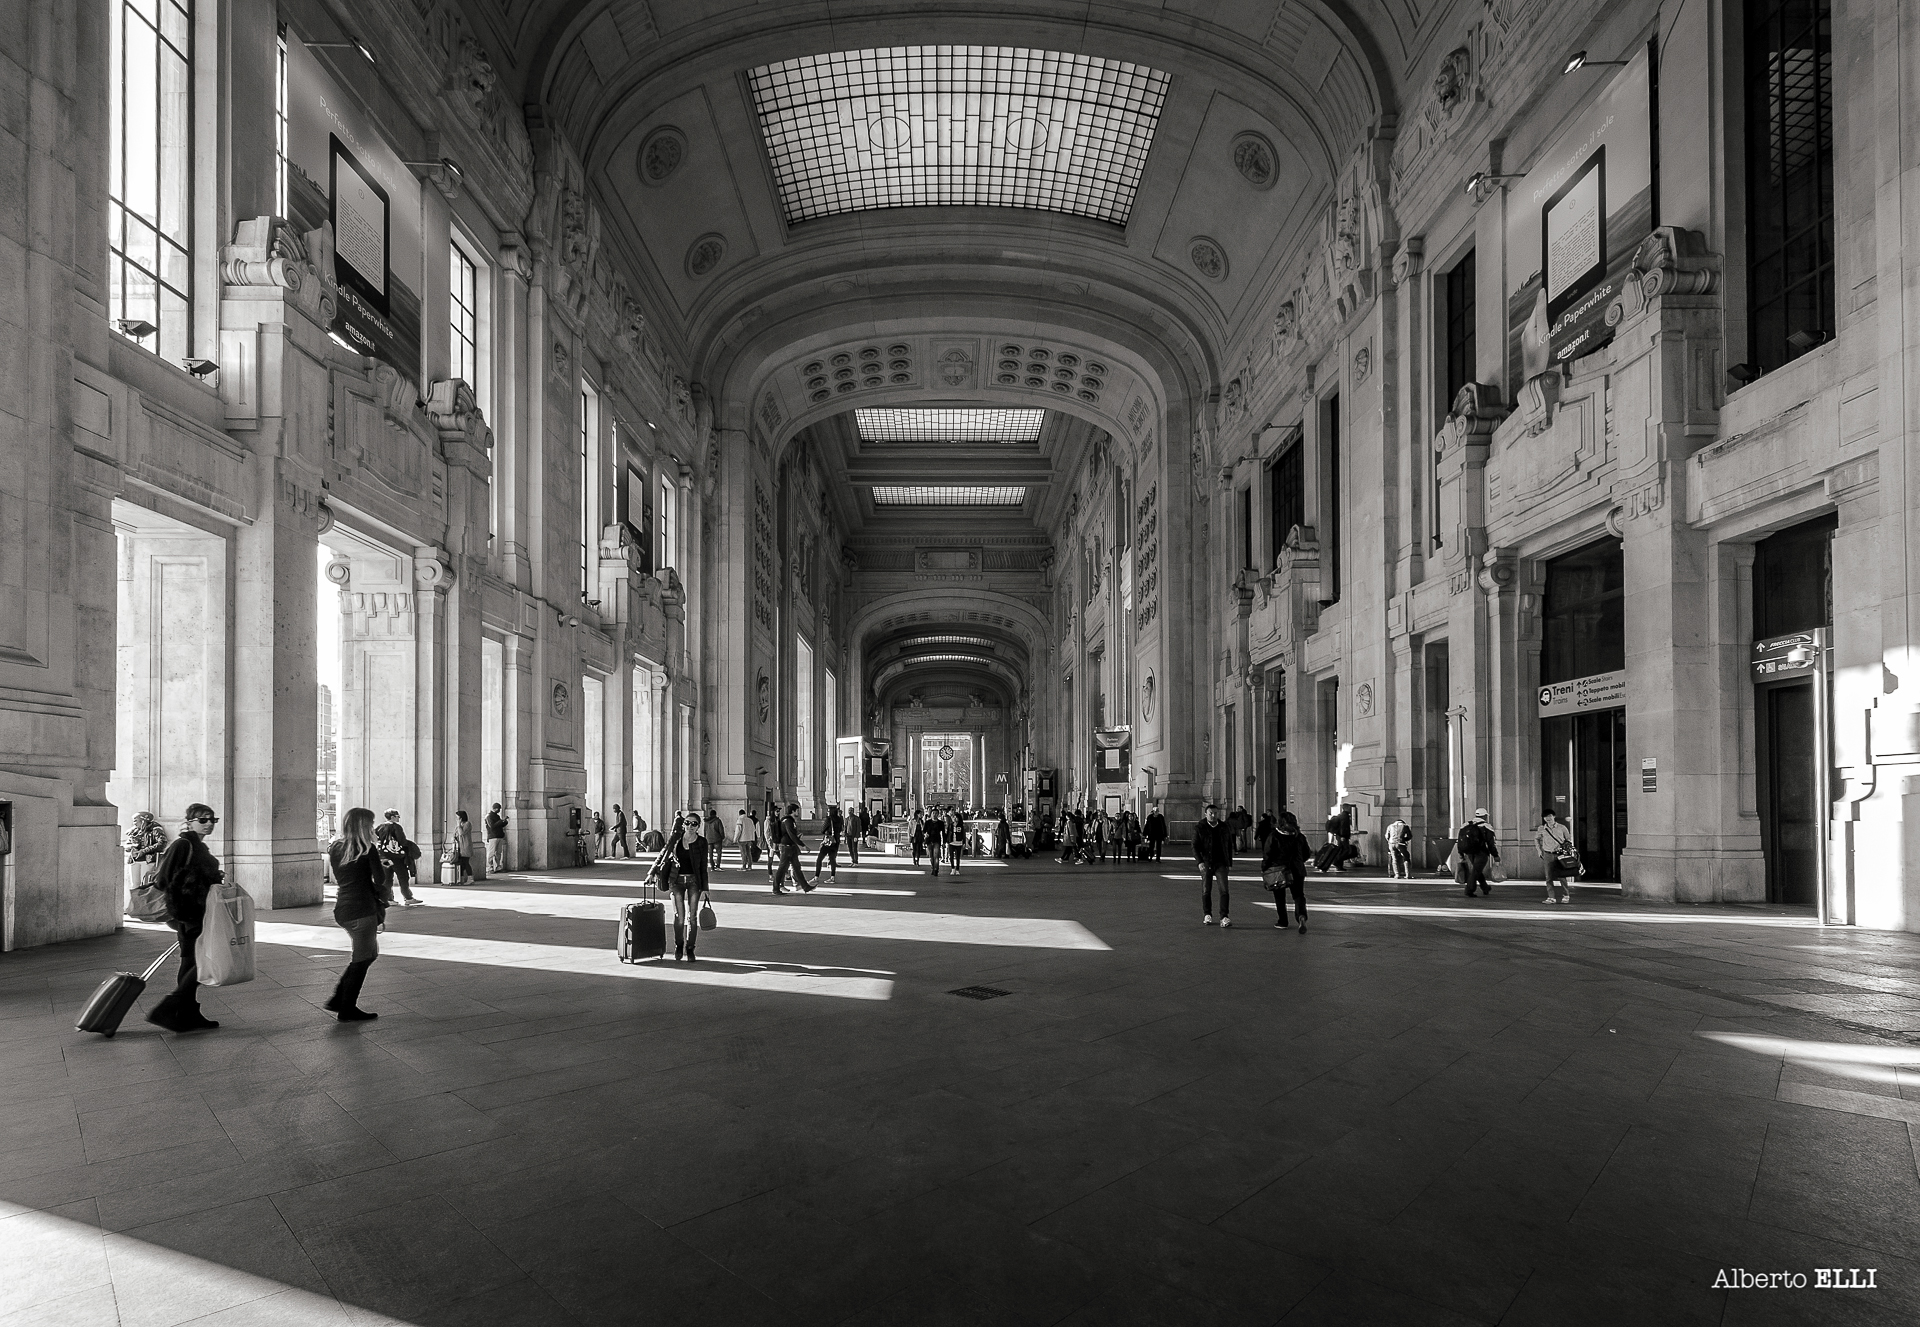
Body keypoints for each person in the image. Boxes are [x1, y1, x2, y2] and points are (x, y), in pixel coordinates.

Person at [145, 803, 223, 1032]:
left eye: (212, 820)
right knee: (203, 960)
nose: (209, 824)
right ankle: (169, 1007)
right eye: (203, 820)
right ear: (189, 821)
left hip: (198, 911)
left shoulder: (197, 846)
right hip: (188, 912)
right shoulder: (183, 844)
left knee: (191, 960)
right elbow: (163, 880)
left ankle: (187, 1013)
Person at [325, 806, 390, 1022]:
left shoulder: (335, 847)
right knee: (362, 959)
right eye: (370, 823)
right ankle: (346, 1008)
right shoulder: (367, 849)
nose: (373, 827)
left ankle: (338, 999)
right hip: (362, 910)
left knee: (369, 954)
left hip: (343, 908)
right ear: (364, 826)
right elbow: (380, 880)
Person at [669, 810, 711, 962]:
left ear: (698, 826)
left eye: (694, 824)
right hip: (677, 881)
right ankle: (679, 945)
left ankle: (690, 948)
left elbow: (703, 866)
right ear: (683, 824)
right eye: (687, 823)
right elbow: (663, 856)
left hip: (694, 881)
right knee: (679, 918)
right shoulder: (675, 839)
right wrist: (653, 873)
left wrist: (705, 888)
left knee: (692, 917)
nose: (690, 826)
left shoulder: (702, 842)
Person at [1263, 811, 1313, 932]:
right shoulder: (1299, 836)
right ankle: (1301, 916)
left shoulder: (1274, 835)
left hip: (1279, 870)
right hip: (1297, 870)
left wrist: (1265, 868)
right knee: (1298, 895)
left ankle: (1283, 921)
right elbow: (1306, 853)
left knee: (1280, 897)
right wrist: (1299, 862)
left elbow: (1268, 854)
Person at [1194, 802, 1234, 928]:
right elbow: (1195, 846)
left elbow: (1228, 845)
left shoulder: (1223, 827)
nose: (1213, 815)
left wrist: (1229, 862)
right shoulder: (1200, 827)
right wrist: (1199, 861)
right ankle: (1207, 914)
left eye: (1215, 813)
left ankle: (1224, 916)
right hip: (1206, 862)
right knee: (1206, 889)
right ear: (1206, 814)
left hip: (1221, 863)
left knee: (1224, 890)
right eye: (1210, 813)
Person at [375, 809, 421, 906]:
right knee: (403, 876)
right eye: (397, 816)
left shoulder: (379, 827)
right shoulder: (396, 827)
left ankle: (389, 898)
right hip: (397, 857)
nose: (398, 818)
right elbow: (402, 841)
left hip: (384, 857)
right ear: (392, 817)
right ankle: (408, 897)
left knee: (387, 877)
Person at [1534, 810, 1581, 904]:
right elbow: (1536, 839)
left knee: (1561, 876)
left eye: (1550, 816)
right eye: (1546, 817)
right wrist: (1539, 850)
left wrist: (1566, 850)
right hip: (1547, 854)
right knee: (1549, 877)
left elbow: (1568, 840)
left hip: (1560, 854)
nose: (1548, 818)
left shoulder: (1562, 828)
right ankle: (1551, 897)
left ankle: (1566, 895)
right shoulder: (1541, 829)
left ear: (1554, 816)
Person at [771, 802, 814, 894]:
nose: (798, 812)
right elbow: (791, 835)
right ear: (793, 811)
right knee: (782, 868)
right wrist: (803, 845)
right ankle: (775, 888)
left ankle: (805, 886)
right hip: (786, 848)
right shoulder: (788, 821)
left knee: (797, 867)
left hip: (791, 847)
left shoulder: (790, 820)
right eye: (797, 810)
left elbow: (792, 835)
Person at [123, 811, 169, 898]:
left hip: (147, 860)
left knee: (146, 884)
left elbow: (162, 843)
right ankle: (135, 904)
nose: (134, 823)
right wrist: (131, 847)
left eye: (136, 820)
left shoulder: (155, 829)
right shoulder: (134, 831)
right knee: (134, 885)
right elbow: (127, 844)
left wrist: (144, 851)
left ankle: (145, 904)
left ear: (143, 820)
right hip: (134, 860)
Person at [1456, 808, 1500, 896]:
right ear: (1484, 816)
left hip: (1469, 852)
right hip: (1481, 852)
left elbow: (1460, 840)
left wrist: (1461, 853)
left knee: (1477, 870)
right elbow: (1491, 843)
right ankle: (1469, 890)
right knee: (1475, 871)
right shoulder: (1487, 826)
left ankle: (1485, 887)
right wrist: (1495, 855)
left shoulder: (1465, 825)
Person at [815, 803, 845, 881]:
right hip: (836, 841)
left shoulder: (829, 819)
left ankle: (816, 876)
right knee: (832, 859)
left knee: (819, 859)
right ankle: (832, 877)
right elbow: (841, 829)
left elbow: (822, 830)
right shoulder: (839, 819)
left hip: (828, 842)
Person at [448, 810, 473, 883]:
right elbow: (455, 834)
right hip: (458, 847)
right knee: (460, 863)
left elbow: (461, 833)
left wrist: (459, 825)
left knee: (466, 862)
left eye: (458, 817)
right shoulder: (458, 826)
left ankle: (470, 878)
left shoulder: (467, 824)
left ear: (461, 818)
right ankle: (460, 878)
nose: (457, 819)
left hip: (465, 846)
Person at [485, 803, 509, 874]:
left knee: (498, 853)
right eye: (498, 809)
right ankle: (490, 867)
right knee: (491, 853)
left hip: (499, 836)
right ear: (496, 808)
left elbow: (500, 825)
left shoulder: (497, 816)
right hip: (493, 836)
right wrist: (501, 821)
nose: (499, 810)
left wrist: (505, 822)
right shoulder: (488, 816)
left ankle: (498, 866)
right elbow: (492, 826)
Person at [924, 808, 947, 876]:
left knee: (936, 856)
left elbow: (943, 833)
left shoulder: (940, 823)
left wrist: (944, 842)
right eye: (933, 813)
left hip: (937, 840)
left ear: (938, 814)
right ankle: (932, 867)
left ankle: (936, 869)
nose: (934, 815)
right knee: (931, 856)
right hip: (929, 841)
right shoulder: (927, 822)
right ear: (931, 814)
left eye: (936, 813)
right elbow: (924, 831)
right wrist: (925, 834)